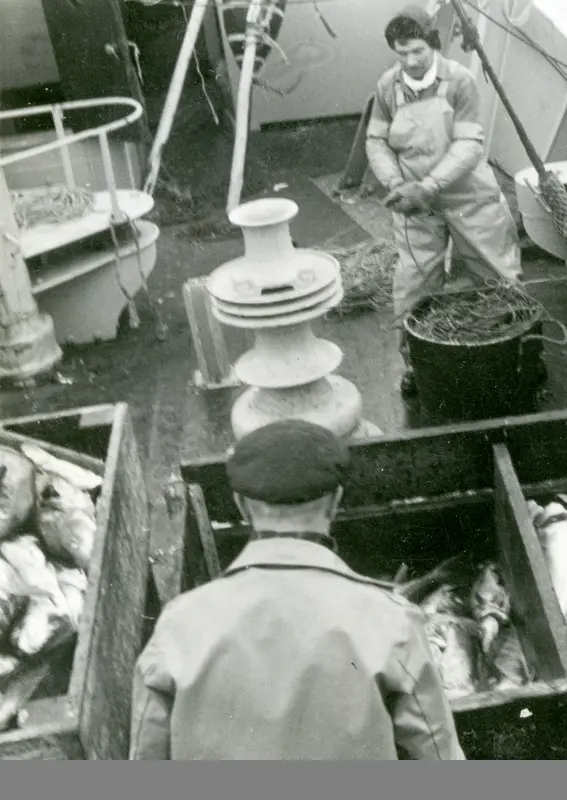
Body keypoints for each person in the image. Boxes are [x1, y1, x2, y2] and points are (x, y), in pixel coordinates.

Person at [128, 419, 466, 760]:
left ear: (241, 506)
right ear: (335, 503)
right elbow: (441, 757)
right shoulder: (392, 622)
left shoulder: (177, 624)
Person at [365, 6, 523, 396]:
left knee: (498, 277)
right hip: (416, 205)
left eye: (417, 51)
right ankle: (417, 365)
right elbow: (377, 141)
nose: (410, 61)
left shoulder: (461, 81)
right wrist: (396, 184)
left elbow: (469, 144)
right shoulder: (388, 85)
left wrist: (429, 185)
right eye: (401, 53)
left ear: (433, 44)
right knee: (412, 286)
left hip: (470, 197)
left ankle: (513, 358)